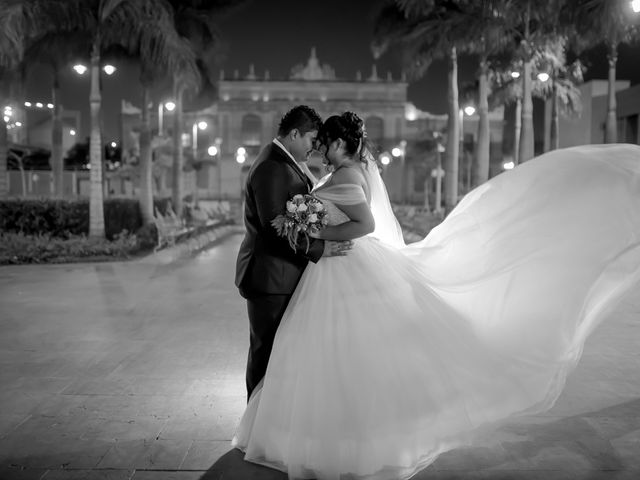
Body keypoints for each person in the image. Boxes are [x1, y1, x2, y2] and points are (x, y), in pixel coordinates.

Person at [233, 111, 640, 480]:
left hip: (339, 266)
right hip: (316, 272)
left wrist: (319, 235)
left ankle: (318, 434)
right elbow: (285, 221)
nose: (317, 148)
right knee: (310, 352)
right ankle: (303, 429)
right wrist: (315, 235)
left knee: (335, 355)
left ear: (342, 145)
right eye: (314, 141)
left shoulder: (344, 174)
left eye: (324, 142)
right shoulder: (312, 170)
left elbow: (363, 222)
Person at [235, 105, 353, 400]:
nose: (314, 148)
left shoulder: (284, 161)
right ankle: (254, 422)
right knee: (266, 353)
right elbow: (274, 229)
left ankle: (267, 423)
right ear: (294, 134)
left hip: (283, 274)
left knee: (279, 353)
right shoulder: (272, 167)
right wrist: (320, 247)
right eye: (311, 140)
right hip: (270, 277)